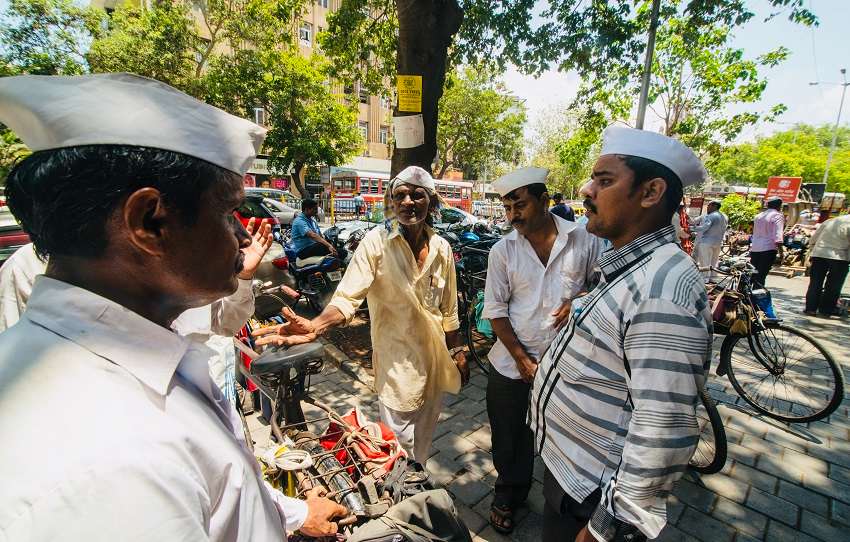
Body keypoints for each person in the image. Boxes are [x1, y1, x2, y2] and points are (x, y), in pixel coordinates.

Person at [0, 73, 346, 540]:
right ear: (149, 222)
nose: (243, 236)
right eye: (226, 212)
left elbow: (219, 492)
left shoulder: (134, 360)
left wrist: (289, 515)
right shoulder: (111, 461)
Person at [529, 126, 712, 542]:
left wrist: (604, 529)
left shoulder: (663, 290)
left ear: (650, 192)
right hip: (574, 476)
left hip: (594, 497)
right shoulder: (631, 267)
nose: (587, 190)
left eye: (604, 180)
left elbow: (662, 428)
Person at [253, 166, 469, 463]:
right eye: (400, 195)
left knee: (424, 442)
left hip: (434, 365)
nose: (408, 201)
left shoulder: (442, 248)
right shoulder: (376, 244)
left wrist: (457, 350)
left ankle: (418, 490)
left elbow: (449, 309)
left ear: (430, 202)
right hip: (397, 367)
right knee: (400, 448)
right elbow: (346, 298)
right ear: (392, 203)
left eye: (417, 195)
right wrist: (316, 326)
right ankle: (406, 494)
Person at [0, 216, 272, 403]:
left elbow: (225, 322)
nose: (241, 236)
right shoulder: (25, 268)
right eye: (221, 213)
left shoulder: (187, 268)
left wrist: (244, 277)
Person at [482, 167, 601, 534]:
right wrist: (521, 359)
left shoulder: (583, 239)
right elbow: (496, 311)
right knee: (509, 437)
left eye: (520, 204)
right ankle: (509, 493)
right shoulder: (503, 251)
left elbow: (603, 285)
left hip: (567, 364)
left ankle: (561, 500)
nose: (513, 215)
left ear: (544, 200)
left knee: (562, 436)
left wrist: (580, 301)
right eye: (507, 208)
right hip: (510, 363)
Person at [804, 213, 850, 316]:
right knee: (834, 285)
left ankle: (810, 308)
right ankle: (826, 309)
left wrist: (812, 248)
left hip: (819, 253)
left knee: (815, 282)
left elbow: (814, 238)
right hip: (839, 256)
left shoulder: (831, 221)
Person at [750, 196, 785, 287]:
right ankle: (756, 297)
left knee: (754, 273)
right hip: (768, 249)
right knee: (761, 276)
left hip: (755, 249)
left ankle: (748, 295)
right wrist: (781, 253)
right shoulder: (778, 215)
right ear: (779, 206)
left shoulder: (758, 216)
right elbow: (778, 235)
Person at [692, 200, 727, 281]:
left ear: (713, 206)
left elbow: (704, 227)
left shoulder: (711, 216)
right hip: (718, 243)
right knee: (713, 263)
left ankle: (705, 279)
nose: (707, 208)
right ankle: (712, 278)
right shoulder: (724, 216)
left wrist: (691, 229)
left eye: (708, 206)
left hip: (706, 242)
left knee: (704, 262)